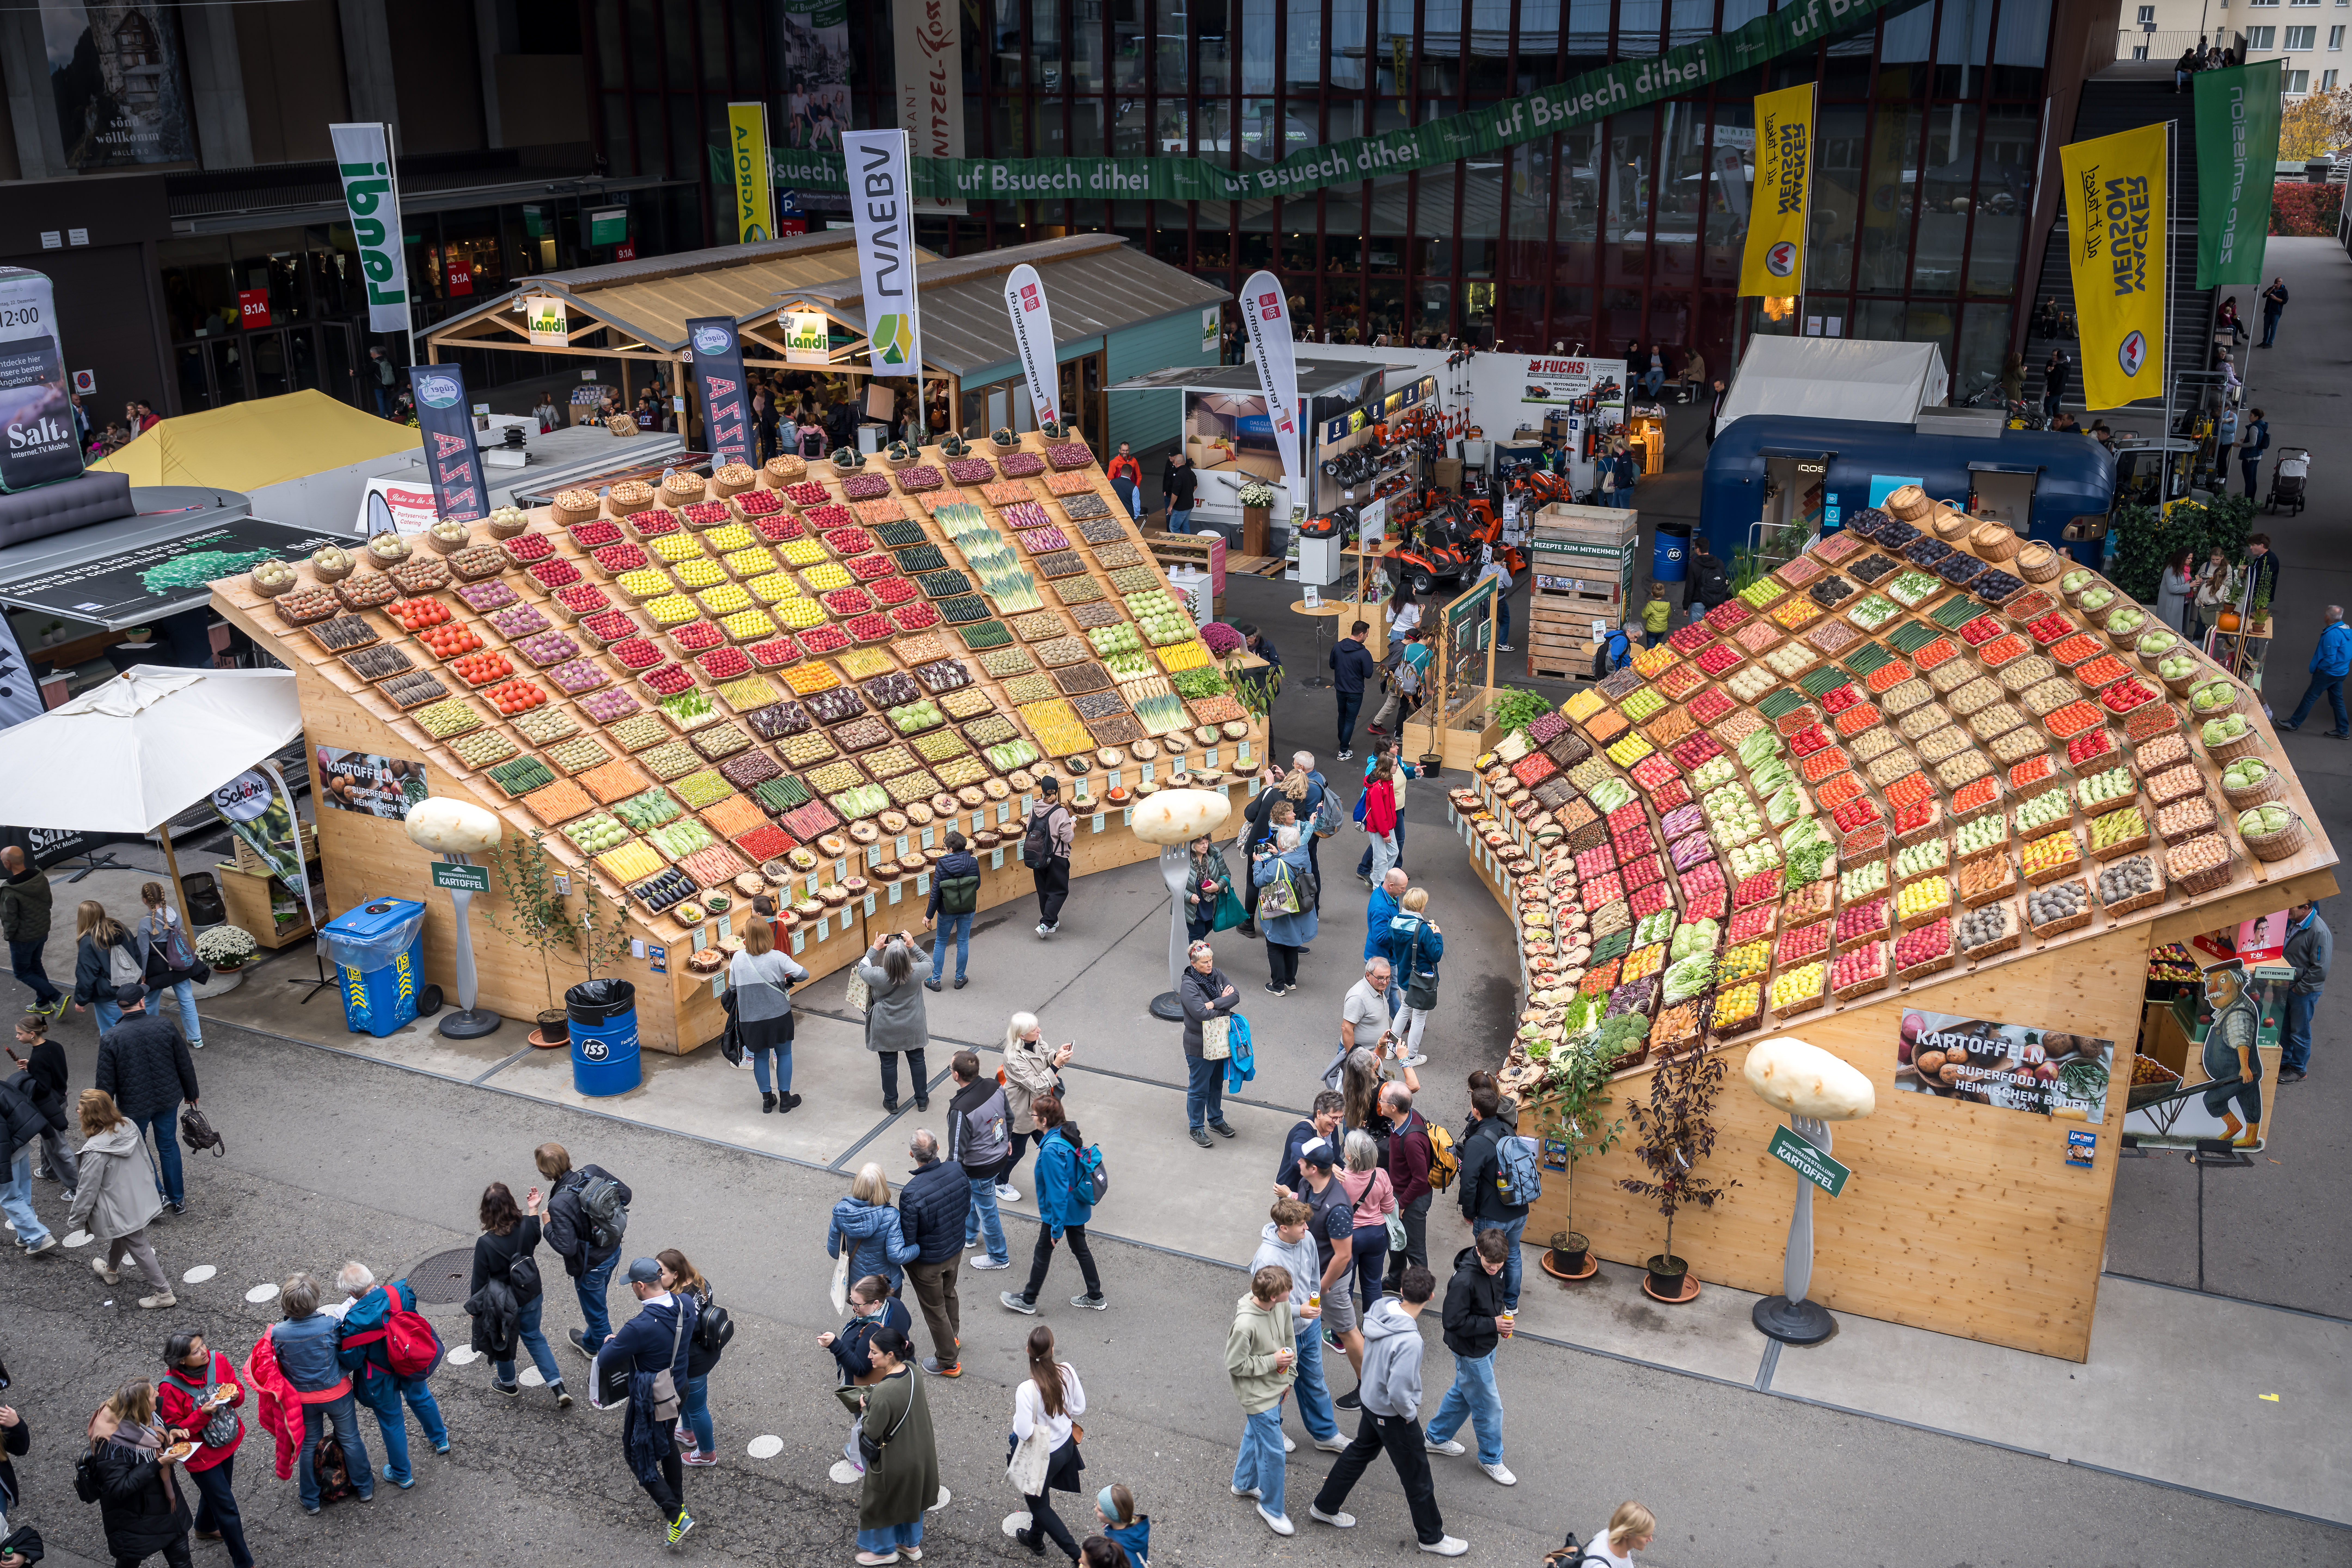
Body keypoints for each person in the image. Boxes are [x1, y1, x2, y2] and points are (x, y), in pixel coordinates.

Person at [1303, 1264, 1462, 1553]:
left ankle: (1325, 1506)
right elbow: (1400, 1391)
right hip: (1392, 1414)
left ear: (1401, 1291)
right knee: (1417, 1476)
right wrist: (1411, 1415)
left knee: (1360, 1451)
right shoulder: (1411, 1341)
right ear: (1431, 1297)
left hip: (1370, 1399)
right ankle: (1431, 1537)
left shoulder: (1380, 1308)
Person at [592, 1258, 698, 1547]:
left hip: (653, 1398)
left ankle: (676, 1515)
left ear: (640, 1286)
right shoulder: (685, 1304)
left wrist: (615, 1343)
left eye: (633, 1286)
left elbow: (605, 1359)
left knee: (635, 1453)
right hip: (679, 1388)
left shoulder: (638, 1327)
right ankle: (678, 1502)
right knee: (666, 1446)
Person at [335, 1261, 449, 1490]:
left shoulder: (355, 1319)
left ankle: (402, 1473)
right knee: (421, 1398)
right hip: (409, 1359)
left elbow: (353, 1360)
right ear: (372, 1279)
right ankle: (440, 1439)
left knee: (392, 1421)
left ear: (351, 1293)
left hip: (379, 1376)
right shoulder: (399, 1293)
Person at [270, 1273, 374, 1511]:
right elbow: (344, 1348)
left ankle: (310, 1498)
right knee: (350, 1438)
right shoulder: (329, 1324)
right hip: (337, 1392)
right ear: (315, 1300)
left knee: (309, 1445)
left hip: (302, 1398)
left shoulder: (279, 1333)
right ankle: (364, 1486)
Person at [92, 985, 197, 1215]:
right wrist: (192, 1093)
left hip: (133, 1104)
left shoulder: (111, 1038)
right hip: (168, 1098)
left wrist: (102, 1114)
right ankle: (177, 1199)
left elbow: (105, 1082)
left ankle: (158, 1194)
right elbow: (184, 1062)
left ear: (120, 1008)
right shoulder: (164, 1025)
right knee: (168, 1146)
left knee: (138, 1149)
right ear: (142, 1003)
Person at [1422, 1228, 1515, 1486]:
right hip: (1471, 1351)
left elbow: (1492, 1299)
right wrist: (1493, 1325)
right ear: (1479, 1252)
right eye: (1490, 1264)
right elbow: (1452, 1321)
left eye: (1499, 1264)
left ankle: (1435, 1438)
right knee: (1489, 1407)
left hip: (1484, 1345)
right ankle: (1490, 1459)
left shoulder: (1494, 1266)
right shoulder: (1465, 1280)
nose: (1495, 1269)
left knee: (1463, 1393)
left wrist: (1501, 1321)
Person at [1251, 1197, 1343, 1454]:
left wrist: (1313, 1300)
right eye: (1301, 1224)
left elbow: (1314, 1275)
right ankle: (1272, 1431)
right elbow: (1263, 1305)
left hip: (1309, 1327)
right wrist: (1298, 1310)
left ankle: (1326, 1434)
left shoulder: (1307, 1240)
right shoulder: (1267, 1258)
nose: (1307, 1228)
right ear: (1284, 1228)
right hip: (1280, 1334)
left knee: (1315, 1381)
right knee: (1277, 1388)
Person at [1002, 1093, 1104, 1314]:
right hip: (1076, 1207)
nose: (1032, 1116)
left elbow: (1057, 1193)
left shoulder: (1051, 1151)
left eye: (1035, 1114)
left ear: (1044, 1121)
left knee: (1043, 1252)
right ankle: (1095, 1296)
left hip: (1061, 1212)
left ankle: (1028, 1300)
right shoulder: (1066, 1134)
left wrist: (1056, 1229)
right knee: (1080, 1248)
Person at [156, 1331, 251, 1568]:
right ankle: (244, 1562)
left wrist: (236, 1394)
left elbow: (237, 1392)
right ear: (181, 1361)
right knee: (226, 1507)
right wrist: (202, 1415)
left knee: (221, 1492)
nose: (204, 1352)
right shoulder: (170, 1389)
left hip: (226, 1441)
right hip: (201, 1456)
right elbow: (174, 1433)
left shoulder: (218, 1361)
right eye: (196, 1351)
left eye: (203, 1345)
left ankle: (205, 1527)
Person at [470, 1180, 569, 1405]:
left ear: (486, 1212)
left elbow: (479, 1282)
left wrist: (477, 1311)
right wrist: (533, 1208)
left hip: (503, 1303)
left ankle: (508, 1384)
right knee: (534, 1337)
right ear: (512, 1203)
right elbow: (535, 1233)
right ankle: (558, 1386)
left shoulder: (485, 1244)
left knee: (502, 1341)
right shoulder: (526, 1226)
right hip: (530, 1293)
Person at [849, 1326, 936, 1565]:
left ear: (890, 1355)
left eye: (874, 1352)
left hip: (896, 1460)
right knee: (912, 1498)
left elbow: (872, 1430)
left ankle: (882, 1551)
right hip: (920, 1453)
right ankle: (910, 1544)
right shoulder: (913, 1370)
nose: (869, 1357)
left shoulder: (885, 1391)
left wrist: (866, 1408)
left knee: (881, 1503)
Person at [84, 1380, 195, 1566]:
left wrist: (171, 1430)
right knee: (129, 1563)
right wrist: (158, 1464)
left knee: (182, 1561)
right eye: (153, 1395)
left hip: (168, 1510)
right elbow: (119, 1487)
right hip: (136, 1521)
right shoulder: (112, 1445)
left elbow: (156, 1433)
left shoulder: (148, 1416)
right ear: (141, 1406)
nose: (158, 1394)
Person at [538, 1141, 632, 1359]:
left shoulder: (558, 1204)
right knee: (597, 1305)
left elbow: (567, 1247)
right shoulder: (593, 1172)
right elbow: (625, 1195)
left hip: (591, 1265)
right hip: (612, 1250)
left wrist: (548, 1225)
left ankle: (613, 1365)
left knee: (598, 1316)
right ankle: (590, 1345)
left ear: (545, 1172)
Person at [1225, 1263, 1300, 1536]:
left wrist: (1289, 1376)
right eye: (1287, 1290)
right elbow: (1235, 1365)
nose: (1291, 1293)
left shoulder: (1279, 1306)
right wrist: (1274, 1362)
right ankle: (1271, 1508)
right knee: (1274, 1452)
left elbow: (1289, 1340)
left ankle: (1243, 1483)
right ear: (1272, 1296)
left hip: (1276, 1389)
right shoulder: (1245, 1325)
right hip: (1258, 1396)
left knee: (1255, 1435)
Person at [1294, 1138, 1366, 1400]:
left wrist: (1321, 1287)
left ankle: (1368, 1388)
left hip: (1328, 1281)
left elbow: (1344, 1255)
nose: (1298, 1162)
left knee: (1347, 1331)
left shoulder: (1337, 1208)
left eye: (1303, 1161)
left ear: (1314, 1168)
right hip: (1308, 1273)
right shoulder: (1306, 1184)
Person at [1010, 1325, 1089, 1559]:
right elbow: (1079, 1407)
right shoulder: (1067, 1371)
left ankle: (1077, 1556)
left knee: (1040, 1506)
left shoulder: (1027, 1390)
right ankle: (1035, 1538)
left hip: (1042, 1454)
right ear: (1053, 1350)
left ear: (1027, 1351)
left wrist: (1019, 1421)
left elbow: (1024, 1432)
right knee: (1043, 1494)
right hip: (1066, 1446)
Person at [897, 1128, 971, 1375]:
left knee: (934, 1308)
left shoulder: (911, 1193)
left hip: (928, 1261)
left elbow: (909, 1237)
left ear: (912, 1155)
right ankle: (954, 1337)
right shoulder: (957, 1170)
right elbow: (966, 1207)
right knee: (949, 1293)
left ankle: (949, 1361)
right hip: (955, 1248)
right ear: (938, 1149)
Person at [1457, 1081, 1529, 1313]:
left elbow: (1469, 1182)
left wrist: (1469, 1212)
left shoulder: (1478, 1142)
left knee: (1487, 1258)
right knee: (1514, 1254)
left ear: (1475, 1110)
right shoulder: (1508, 1129)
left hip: (1492, 1214)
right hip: (1518, 1208)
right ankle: (1511, 1304)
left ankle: (1489, 1304)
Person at [729, 916, 809, 1113]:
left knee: (761, 1057)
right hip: (779, 1016)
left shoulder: (738, 959)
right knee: (784, 1054)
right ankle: (785, 1098)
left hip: (751, 1019)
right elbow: (804, 974)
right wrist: (785, 982)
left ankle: (767, 1100)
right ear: (767, 935)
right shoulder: (778, 957)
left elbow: (732, 988)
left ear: (747, 937)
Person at [945, 1049, 1015, 1270]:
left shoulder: (960, 1110)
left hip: (979, 1167)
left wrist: (949, 1181)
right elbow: (1009, 1118)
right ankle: (969, 1235)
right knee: (976, 1197)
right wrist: (1008, 1140)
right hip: (1000, 1156)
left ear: (956, 1076)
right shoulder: (995, 1087)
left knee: (988, 1209)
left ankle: (998, 1256)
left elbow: (956, 1154)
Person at [656, 1249, 723, 1467]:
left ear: (676, 1274)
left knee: (697, 1409)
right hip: (709, 1350)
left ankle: (706, 1454)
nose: (656, 1277)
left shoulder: (677, 1302)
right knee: (685, 1397)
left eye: (661, 1273)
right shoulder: (701, 1282)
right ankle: (686, 1432)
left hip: (693, 1362)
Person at [999, 1012, 1070, 1203]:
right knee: (1016, 1151)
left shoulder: (1037, 1040)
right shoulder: (1013, 1056)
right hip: (1023, 1111)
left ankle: (1061, 1178)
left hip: (1041, 1108)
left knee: (1054, 1143)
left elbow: (1047, 1055)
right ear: (1022, 1035)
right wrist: (1056, 1065)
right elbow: (1036, 1085)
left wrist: (1057, 1055)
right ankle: (999, 1183)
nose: (1039, 1031)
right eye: (1034, 1029)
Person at [858, 932, 932, 1114]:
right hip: (913, 1026)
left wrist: (875, 948)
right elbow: (930, 963)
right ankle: (922, 1100)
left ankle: (891, 1102)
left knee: (888, 1064)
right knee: (917, 1061)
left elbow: (862, 967)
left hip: (885, 1026)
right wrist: (913, 945)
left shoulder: (877, 976)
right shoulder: (916, 973)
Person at [1178, 941, 1242, 1148]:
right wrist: (1223, 1005)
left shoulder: (1217, 974)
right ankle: (1196, 1127)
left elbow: (1236, 996)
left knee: (1216, 1084)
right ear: (1193, 963)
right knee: (1199, 1087)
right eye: (1205, 962)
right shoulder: (1189, 985)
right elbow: (1201, 1014)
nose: (1209, 965)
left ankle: (1216, 1120)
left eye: (1211, 960)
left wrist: (1215, 1003)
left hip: (1220, 1041)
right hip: (1199, 1045)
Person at [130, 885, 204, 1052]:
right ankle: (196, 1037)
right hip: (178, 964)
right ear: (162, 898)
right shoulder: (174, 916)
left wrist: (142, 974)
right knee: (186, 999)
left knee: (150, 1002)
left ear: (145, 900)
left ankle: (151, 1039)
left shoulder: (145, 924)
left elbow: (143, 952)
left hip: (156, 969)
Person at [830, 1162, 920, 1296]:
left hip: (858, 1287)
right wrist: (917, 1248)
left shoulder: (841, 1212)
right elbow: (896, 1256)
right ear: (882, 1187)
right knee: (890, 1316)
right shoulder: (890, 1216)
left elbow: (834, 1251)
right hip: (885, 1286)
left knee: (863, 1314)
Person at [0, 1059, 60, 1260]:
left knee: (9, 1197)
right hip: (19, 1145)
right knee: (22, 1193)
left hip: (5, 1153)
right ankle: (25, 1235)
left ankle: (38, 1237)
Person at [1381, 1083, 1436, 1293]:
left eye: (1383, 1101)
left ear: (1394, 1108)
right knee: (1396, 1241)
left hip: (1411, 1199)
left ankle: (1421, 1292)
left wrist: (1402, 1205)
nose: (1380, 1103)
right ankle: (1396, 1280)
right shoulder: (1406, 1118)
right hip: (1400, 1194)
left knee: (1415, 1250)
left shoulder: (1412, 1139)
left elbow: (1421, 1179)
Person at [13, 1009, 74, 1197]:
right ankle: (50, 1172)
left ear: (32, 1034)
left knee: (57, 1146)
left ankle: (80, 1188)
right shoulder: (54, 1046)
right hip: (61, 1098)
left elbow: (42, 1088)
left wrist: (27, 1076)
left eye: (20, 1034)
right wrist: (31, 1066)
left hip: (50, 1105)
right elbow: (52, 1068)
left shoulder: (38, 1058)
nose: (17, 1037)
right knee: (49, 1140)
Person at [1379, 888, 1445, 1062]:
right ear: (1420, 907)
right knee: (1419, 1017)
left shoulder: (1393, 922)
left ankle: (1391, 1048)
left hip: (1404, 976)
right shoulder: (1423, 930)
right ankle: (1412, 1056)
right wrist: (1437, 935)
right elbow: (1436, 954)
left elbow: (1392, 945)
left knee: (1405, 1009)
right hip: (1421, 980)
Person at [1336, 1129, 1397, 1314]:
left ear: (1349, 1155)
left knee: (1345, 1285)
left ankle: (1341, 1336)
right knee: (1372, 1284)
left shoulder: (1341, 1179)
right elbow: (1388, 1208)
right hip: (1376, 1236)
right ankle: (1372, 1329)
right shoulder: (1382, 1176)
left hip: (1349, 1238)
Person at [1252, 824, 1317, 995]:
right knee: (1292, 943)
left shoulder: (1277, 865)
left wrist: (1258, 863)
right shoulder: (1304, 854)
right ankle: (1290, 981)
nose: (1277, 840)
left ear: (1282, 843)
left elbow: (1259, 881)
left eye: (1279, 838)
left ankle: (1278, 985)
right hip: (1299, 907)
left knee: (1274, 945)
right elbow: (1290, 860)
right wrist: (1278, 854)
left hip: (1281, 909)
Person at [0, 848, 62, 1018]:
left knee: (21, 972)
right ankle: (43, 1004)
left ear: (7, 863)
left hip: (23, 938)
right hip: (42, 930)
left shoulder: (10, 890)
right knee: (35, 965)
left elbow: (10, 920)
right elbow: (49, 901)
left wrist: (9, 937)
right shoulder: (39, 876)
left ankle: (58, 997)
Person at [2278, 605, 2352, 737]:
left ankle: (2294, 724)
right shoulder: (2346, 630)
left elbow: (2330, 659)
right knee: (2338, 701)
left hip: (2328, 673)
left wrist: (2320, 668)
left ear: (2328, 617)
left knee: (2310, 698)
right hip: (2341, 672)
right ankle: (2343, 731)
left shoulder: (2333, 634)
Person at [923, 831, 982, 991]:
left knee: (941, 942)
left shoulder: (941, 864)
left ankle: (935, 981)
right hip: (968, 908)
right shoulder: (973, 862)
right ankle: (960, 978)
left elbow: (936, 893)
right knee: (963, 942)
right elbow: (977, 885)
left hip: (946, 910)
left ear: (949, 849)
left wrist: (929, 916)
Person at [72, 903, 143, 1033]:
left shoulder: (88, 941)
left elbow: (86, 974)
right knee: (134, 1028)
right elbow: (136, 953)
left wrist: (81, 1001)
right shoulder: (120, 928)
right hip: (132, 988)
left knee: (112, 1032)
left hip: (108, 994)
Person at [2280, 900, 2330, 1084]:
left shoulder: (2319, 931)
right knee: (2285, 1027)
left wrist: (2299, 989)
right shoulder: (2295, 922)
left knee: (2300, 1031)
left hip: (2303, 991)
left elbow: (2320, 969)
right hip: (2289, 986)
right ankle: (2285, 1063)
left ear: (2306, 908)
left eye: (2292, 906)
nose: (2288, 910)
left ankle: (2299, 1069)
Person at [1024, 777, 1077, 937]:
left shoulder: (1034, 808)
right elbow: (1067, 838)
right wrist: (1072, 825)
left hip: (1038, 855)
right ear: (1057, 792)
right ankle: (1046, 923)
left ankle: (1052, 922)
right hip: (1057, 857)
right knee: (1059, 891)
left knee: (1044, 890)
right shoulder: (1060, 812)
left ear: (1042, 791)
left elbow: (1029, 828)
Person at [1278, 1090, 1345, 1196]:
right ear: (1319, 1113)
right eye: (1334, 1118)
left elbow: (1335, 1158)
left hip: (1314, 1190)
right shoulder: (1303, 1131)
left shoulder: (1331, 1127)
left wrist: (1351, 1173)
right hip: (1294, 1193)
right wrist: (1327, 1166)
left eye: (1341, 1117)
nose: (1338, 1122)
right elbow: (1297, 1160)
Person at [1330, 621, 1377, 759]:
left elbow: (1332, 665)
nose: (1367, 637)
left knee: (1342, 716)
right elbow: (1368, 675)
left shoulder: (1338, 646)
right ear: (1361, 634)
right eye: (1367, 634)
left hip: (1340, 689)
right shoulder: (1364, 654)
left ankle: (1344, 741)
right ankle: (1344, 751)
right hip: (1355, 692)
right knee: (1350, 720)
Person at [1563, 1501, 1658, 1567]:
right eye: (1646, 1536)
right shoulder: (1600, 1566)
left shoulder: (1607, 1534)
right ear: (1627, 1534)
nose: (1651, 1539)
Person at [1182, 834, 1237, 944]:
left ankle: (1189, 949)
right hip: (1193, 908)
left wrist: (1218, 887)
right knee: (1198, 936)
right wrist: (1189, 896)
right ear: (1193, 845)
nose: (1206, 846)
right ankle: (1198, 959)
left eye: (1207, 843)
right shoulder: (1183, 859)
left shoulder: (1215, 854)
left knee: (1205, 930)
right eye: (1202, 844)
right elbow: (1170, 885)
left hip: (1211, 905)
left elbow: (1226, 875)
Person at [1359, 754, 1402, 886]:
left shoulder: (1387, 780)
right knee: (1381, 858)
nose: (1398, 767)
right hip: (1378, 828)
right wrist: (1385, 833)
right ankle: (1378, 885)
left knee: (1394, 852)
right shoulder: (1378, 787)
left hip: (1386, 826)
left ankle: (1377, 878)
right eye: (1396, 765)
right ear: (1388, 767)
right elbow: (1378, 813)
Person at [1094, 1484, 1153, 1565]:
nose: (1095, 1510)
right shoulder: (1135, 1525)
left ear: (1112, 1516)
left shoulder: (1118, 1552)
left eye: (1100, 1510)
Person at [1477, 550, 1515, 652]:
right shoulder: (1503, 571)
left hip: (1485, 599)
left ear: (1493, 558)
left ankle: (1486, 647)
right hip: (1499, 601)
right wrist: (1505, 570)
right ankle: (1502, 644)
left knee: (1486, 620)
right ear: (1504, 560)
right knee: (1504, 620)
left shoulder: (1485, 568)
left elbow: (1479, 584)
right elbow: (1509, 584)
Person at [2157, 548, 2197, 638]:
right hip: (2172, 606)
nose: (2191, 560)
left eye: (2191, 558)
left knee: (2176, 633)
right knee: (2169, 633)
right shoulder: (2171, 569)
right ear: (2182, 558)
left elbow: (2187, 583)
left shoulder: (2184, 569)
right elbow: (2172, 588)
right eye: (2189, 558)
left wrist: (2195, 584)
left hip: (2182, 605)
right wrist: (2190, 586)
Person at [1161, 450, 1197, 534]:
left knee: (1174, 527)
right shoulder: (1191, 473)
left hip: (1181, 507)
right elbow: (1196, 485)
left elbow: (1175, 493)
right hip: (1190, 505)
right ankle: (1188, 546)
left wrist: (1170, 506)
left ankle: (1179, 546)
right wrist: (1188, 493)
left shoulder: (1179, 475)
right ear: (1185, 462)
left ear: (1176, 463)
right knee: (1185, 526)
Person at [1107, 441, 1144, 518]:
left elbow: (1139, 476)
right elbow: (1110, 479)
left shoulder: (1134, 461)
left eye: (1127, 451)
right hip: (1118, 493)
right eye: (1123, 451)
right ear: (1120, 450)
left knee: (1130, 512)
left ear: (1129, 450)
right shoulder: (1114, 462)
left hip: (1130, 492)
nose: (1125, 452)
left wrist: (1136, 489)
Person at [2240, 410, 2270, 498]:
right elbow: (2257, 440)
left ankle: (2248, 501)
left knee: (2249, 482)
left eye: (2251, 415)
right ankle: (2252, 501)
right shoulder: (2262, 425)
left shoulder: (2254, 428)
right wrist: (2246, 440)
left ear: (2257, 417)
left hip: (2250, 457)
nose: (2249, 417)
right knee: (2253, 480)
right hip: (2257, 456)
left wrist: (2239, 445)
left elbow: (2252, 444)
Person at [2259, 276, 2288, 348]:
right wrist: (2272, 288)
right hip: (2268, 312)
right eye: (2276, 281)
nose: (2277, 283)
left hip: (2276, 313)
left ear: (2282, 283)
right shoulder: (2271, 289)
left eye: (2279, 282)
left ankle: (2270, 343)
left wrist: (2276, 299)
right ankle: (2265, 341)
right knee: (2266, 328)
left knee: (2273, 328)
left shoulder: (2284, 291)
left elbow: (2285, 301)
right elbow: (2264, 295)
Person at [2042, 349, 2069, 421]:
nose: (2054, 357)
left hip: (2054, 390)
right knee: (2056, 406)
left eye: (2055, 355)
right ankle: (2058, 422)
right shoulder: (2067, 366)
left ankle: (2051, 422)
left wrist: (2049, 390)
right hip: (2061, 389)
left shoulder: (2058, 368)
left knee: (2048, 405)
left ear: (2057, 357)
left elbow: (2053, 380)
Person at [1641, 586, 1671, 650]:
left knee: (1651, 647)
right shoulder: (1668, 605)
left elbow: (1644, 616)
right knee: (1658, 644)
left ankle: (1650, 657)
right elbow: (1669, 615)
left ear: (1652, 594)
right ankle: (1658, 656)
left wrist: (1645, 609)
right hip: (1662, 629)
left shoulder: (1650, 605)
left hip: (1652, 630)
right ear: (1663, 593)